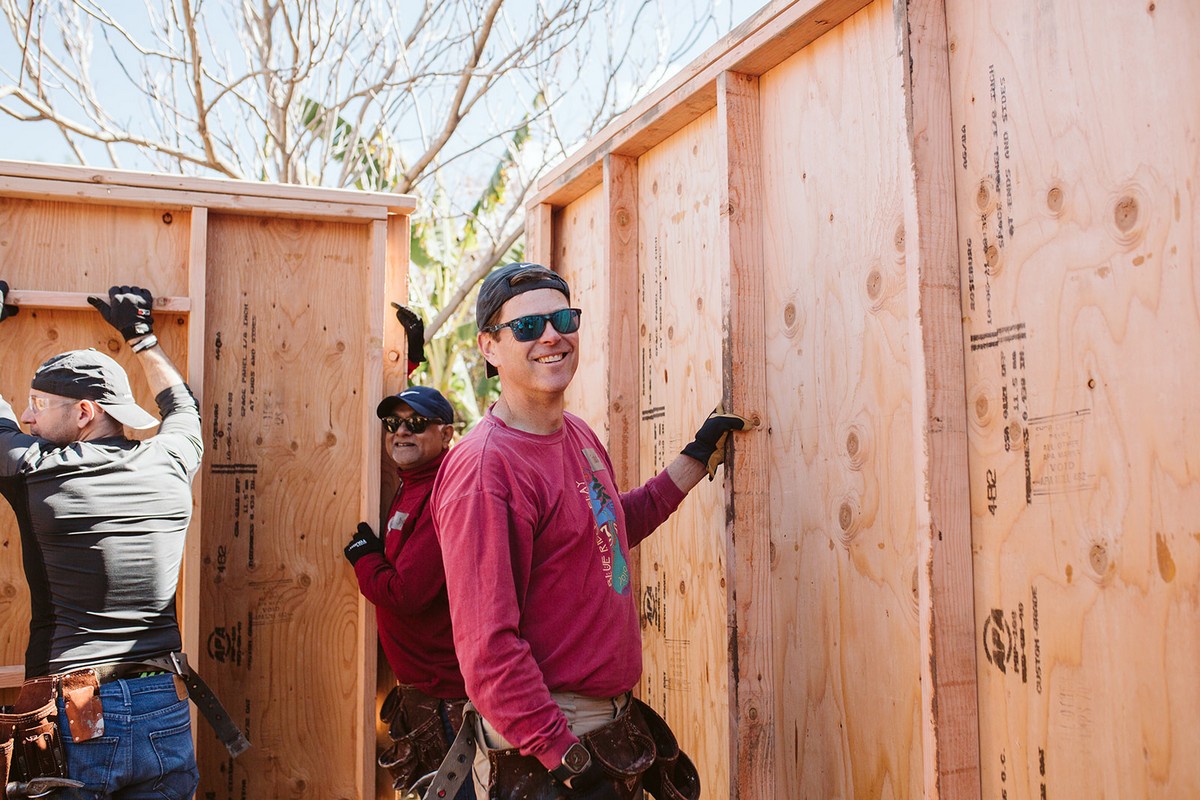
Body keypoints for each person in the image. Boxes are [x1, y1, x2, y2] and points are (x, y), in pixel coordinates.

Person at [429, 262, 745, 799]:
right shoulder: (486, 470)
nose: (551, 336)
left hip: (603, 726)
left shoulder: (575, 434)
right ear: (489, 346)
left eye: (563, 319)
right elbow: (488, 650)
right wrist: (568, 761)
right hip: (549, 741)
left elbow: (606, 533)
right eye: (527, 327)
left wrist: (695, 459)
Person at [0, 283, 216, 799]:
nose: (27, 417)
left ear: (84, 412)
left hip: (78, 716)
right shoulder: (171, 460)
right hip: (164, 703)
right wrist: (141, 336)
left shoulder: (36, 471)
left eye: (38, 403)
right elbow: (183, 406)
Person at [343, 306, 471, 798]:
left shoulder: (444, 494)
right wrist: (407, 358)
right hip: (424, 692)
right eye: (393, 423)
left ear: (446, 433)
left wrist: (365, 557)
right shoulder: (413, 479)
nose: (401, 431)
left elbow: (408, 592)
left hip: (447, 700)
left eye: (417, 424)